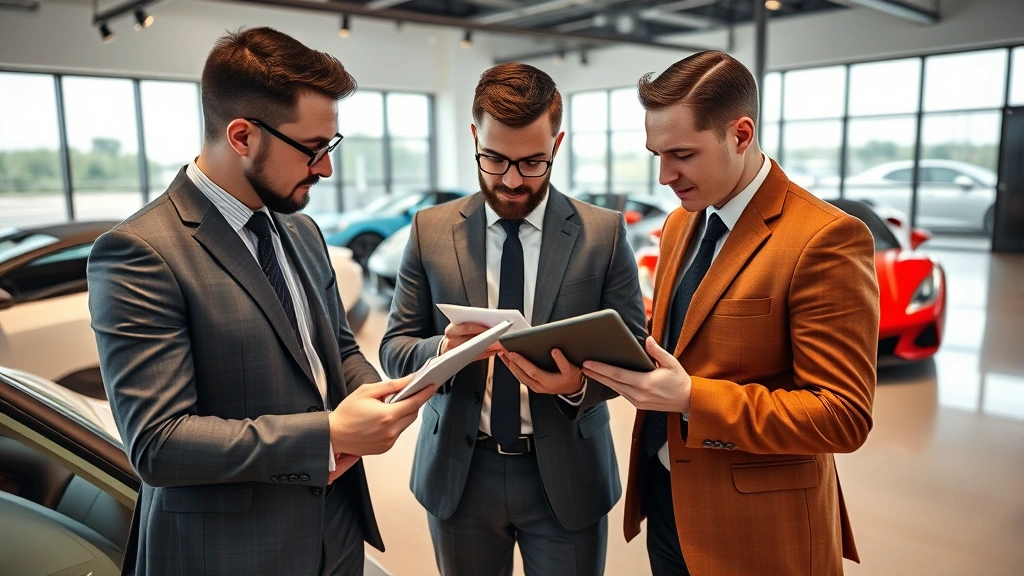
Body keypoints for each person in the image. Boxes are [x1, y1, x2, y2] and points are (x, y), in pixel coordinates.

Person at [88, 27, 433, 576]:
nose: (325, 168)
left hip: (336, 535)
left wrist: (380, 393)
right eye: (313, 149)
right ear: (243, 136)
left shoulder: (303, 233)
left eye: (331, 147)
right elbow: (158, 442)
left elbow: (336, 352)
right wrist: (331, 434)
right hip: (229, 554)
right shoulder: (141, 252)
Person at [582, 50, 879, 576]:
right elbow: (677, 350)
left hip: (757, 526)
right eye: (656, 153)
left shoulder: (825, 239)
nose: (664, 175)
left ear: (740, 135)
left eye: (682, 154)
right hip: (669, 501)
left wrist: (694, 397)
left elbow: (842, 416)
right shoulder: (681, 225)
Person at [378, 63, 647, 576]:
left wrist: (575, 386)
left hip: (568, 472)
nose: (511, 180)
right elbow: (394, 348)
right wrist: (442, 350)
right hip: (461, 470)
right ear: (475, 135)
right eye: (494, 159)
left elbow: (633, 348)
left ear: (557, 144)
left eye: (532, 163)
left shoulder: (602, 234)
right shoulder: (430, 230)